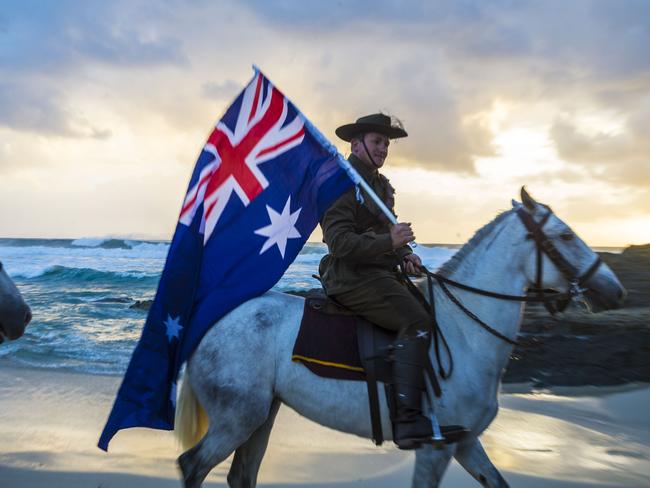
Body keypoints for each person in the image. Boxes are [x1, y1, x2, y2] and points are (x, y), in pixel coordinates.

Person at [319, 113, 466, 450]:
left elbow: (385, 232)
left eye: (386, 143)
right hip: (350, 277)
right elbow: (340, 244)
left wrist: (405, 255)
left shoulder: (382, 186)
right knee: (417, 322)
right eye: (377, 141)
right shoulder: (339, 183)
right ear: (355, 144)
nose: (384, 148)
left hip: (378, 272)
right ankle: (407, 421)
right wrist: (392, 243)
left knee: (433, 310)